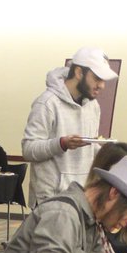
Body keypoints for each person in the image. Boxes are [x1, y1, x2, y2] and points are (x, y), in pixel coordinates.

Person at [21, 46, 117, 205]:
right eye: (97, 78)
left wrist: (114, 156)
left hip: (81, 196)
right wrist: (61, 143)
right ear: (79, 73)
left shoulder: (93, 107)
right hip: (50, 201)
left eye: (103, 81)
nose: (102, 86)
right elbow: (28, 150)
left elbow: (91, 149)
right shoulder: (47, 103)